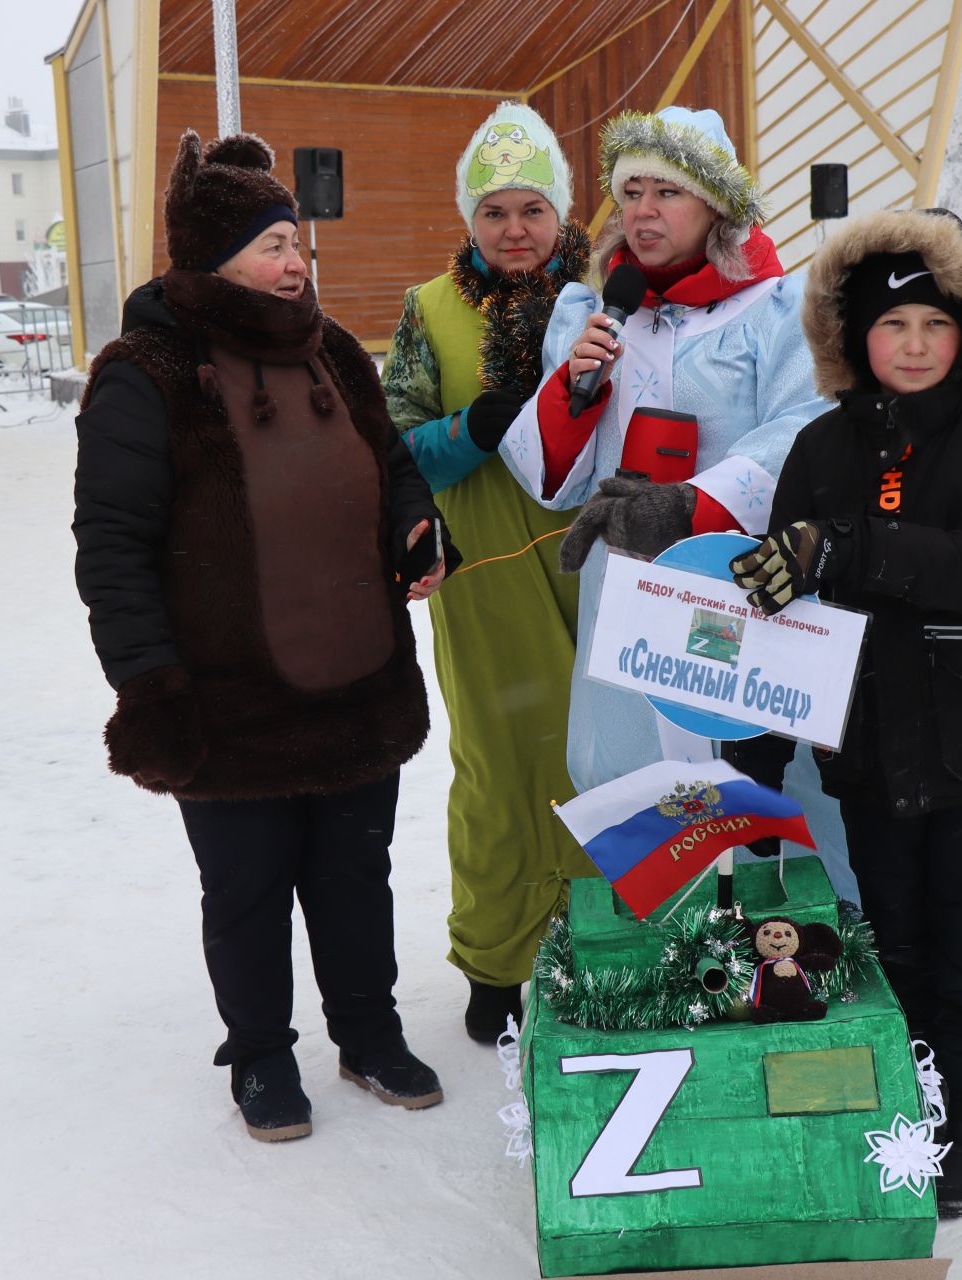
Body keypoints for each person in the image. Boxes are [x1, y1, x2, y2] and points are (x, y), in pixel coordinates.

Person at [73, 131, 458, 1144]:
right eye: (274, 244)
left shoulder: (332, 352)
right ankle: (259, 1052)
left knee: (353, 873)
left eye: (298, 244)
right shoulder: (144, 370)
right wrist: (150, 687)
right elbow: (111, 546)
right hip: (227, 695)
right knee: (245, 888)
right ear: (213, 255)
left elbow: (392, 465)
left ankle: (367, 1032)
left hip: (355, 674)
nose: (297, 263)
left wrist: (416, 524)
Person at [727, 208, 962, 1217]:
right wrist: (756, 734)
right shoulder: (821, 448)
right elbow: (781, 598)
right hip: (868, 748)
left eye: (935, 325)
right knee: (898, 940)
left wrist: (852, 547)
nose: (915, 346)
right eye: (892, 326)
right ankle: (917, 1098)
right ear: (853, 338)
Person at [496, 106, 855, 901]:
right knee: (619, 762)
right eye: (631, 193)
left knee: (762, 767)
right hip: (628, 589)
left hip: (742, 582)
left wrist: (694, 504)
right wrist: (574, 391)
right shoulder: (591, 313)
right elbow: (547, 476)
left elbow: (807, 427)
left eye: (668, 192)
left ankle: (793, 956)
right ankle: (677, 948)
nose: (643, 211)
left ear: (716, 207)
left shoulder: (777, 310)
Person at [381, 102, 595, 1045]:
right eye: (495, 212)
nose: (515, 231)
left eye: (533, 210)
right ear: (469, 218)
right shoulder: (430, 310)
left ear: (562, 215)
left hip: (601, 565)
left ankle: (605, 942)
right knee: (497, 770)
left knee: (601, 765)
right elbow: (390, 451)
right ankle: (497, 961)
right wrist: (473, 428)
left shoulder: (608, 294)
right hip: (486, 572)